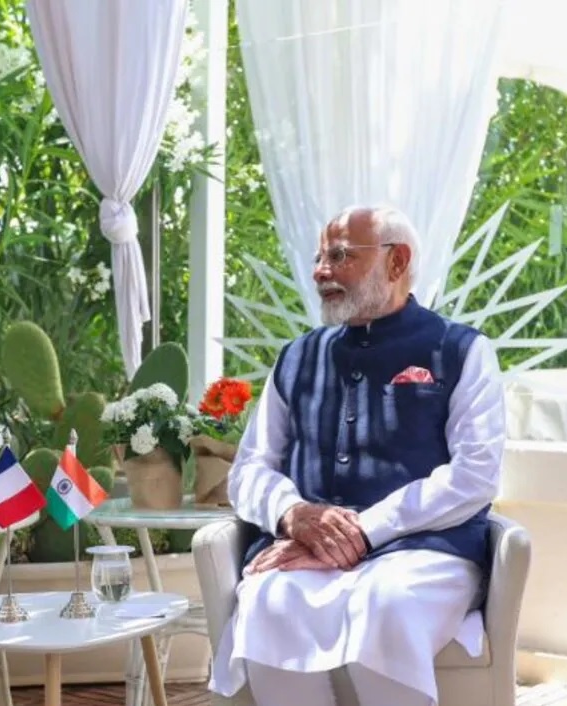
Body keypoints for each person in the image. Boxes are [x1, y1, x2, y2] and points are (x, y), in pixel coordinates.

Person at [209, 206, 505, 706]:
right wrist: (294, 514)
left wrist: (364, 531)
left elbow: (475, 475)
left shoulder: (462, 351)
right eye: (320, 257)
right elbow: (250, 469)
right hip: (305, 551)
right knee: (267, 599)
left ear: (397, 262)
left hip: (425, 551)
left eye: (340, 255)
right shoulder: (297, 356)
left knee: (386, 603)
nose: (321, 271)